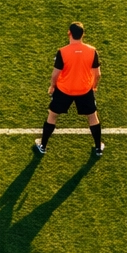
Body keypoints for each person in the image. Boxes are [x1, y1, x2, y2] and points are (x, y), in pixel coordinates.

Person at [35, 21, 104, 157]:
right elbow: (98, 74)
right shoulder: (92, 51)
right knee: (92, 117)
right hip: (84, 90)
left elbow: (55, 74)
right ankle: (98, 148)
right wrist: (94, 86)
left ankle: (43, 145)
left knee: (53, 115)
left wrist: (52, 86)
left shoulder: (62, 52)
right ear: (83, 34)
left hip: (64, 90)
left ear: (69, 33)